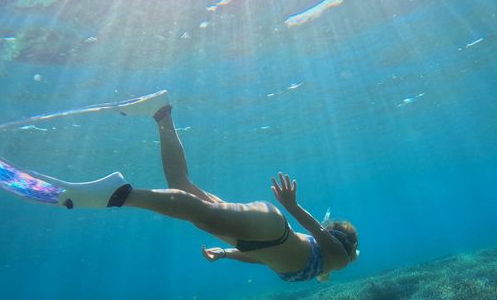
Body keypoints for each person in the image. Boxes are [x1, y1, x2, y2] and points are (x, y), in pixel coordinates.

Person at [104, 92, 359, 282]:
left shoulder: (325, 263)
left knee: (180, 185)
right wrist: (292, 206)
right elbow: (317, 230)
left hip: (254, 242)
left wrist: (226, 254)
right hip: (270, 228)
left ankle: (161, 113)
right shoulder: (339, 259)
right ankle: (121, 195)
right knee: (198, 214)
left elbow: (264, 259)